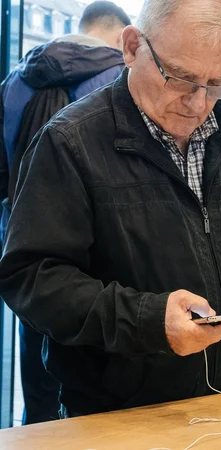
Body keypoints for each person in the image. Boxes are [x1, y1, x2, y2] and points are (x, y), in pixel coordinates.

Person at [0, 0, 221, 419]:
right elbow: (31, 278)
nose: (198, 104)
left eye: (218, 82)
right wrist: (149, 320)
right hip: (115, 413)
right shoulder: (71, 142)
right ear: (131, 47)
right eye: (180, 78)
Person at [0, 1, 130, 424]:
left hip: (24, 245)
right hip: (98, 251)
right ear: (118, 37)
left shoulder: (15, 81)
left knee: (35, 369)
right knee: (99, 387)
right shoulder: (118, 80)